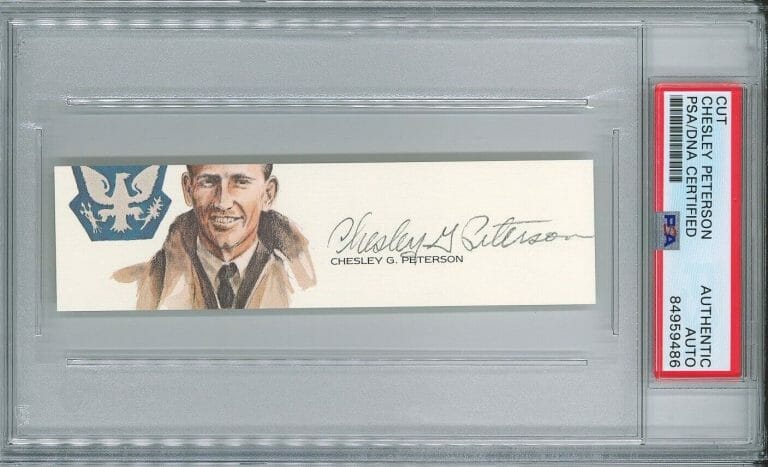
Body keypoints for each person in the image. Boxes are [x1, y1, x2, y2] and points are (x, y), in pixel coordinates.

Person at [113, 164, 315, 309]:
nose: (222, 202)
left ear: (268, 194)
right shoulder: (136, 286)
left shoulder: (304, 288)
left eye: (241, 182)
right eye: (208, 182)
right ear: (188, 189)